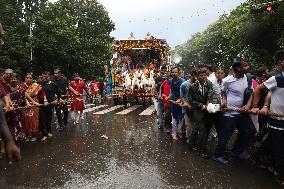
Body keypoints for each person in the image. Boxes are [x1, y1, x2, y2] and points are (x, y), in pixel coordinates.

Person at [213, 57, 256, 164]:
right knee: (225, 136)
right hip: (229, 113)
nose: (248, 67)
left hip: (242, 113)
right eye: (245, 65)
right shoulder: (227, 80)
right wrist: (224, 101)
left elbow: (251, 93)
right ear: (237, 68)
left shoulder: (247, 78)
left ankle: (237, 151)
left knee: (250, 131)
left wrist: (247, 104)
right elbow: (223, 92)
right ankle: (217, 155)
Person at [251, 50, 284, 185]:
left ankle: (257, 157)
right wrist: (257, 106)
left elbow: (271, 92)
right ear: (281, 63)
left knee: (272, 144)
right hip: (277, 121)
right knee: (280, 149)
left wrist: (266, 105)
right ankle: (281, 176)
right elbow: (259, 89)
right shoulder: (277, 78)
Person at [189, 69, 217, 159]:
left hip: (208, 111)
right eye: (201, 75)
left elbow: (213, 96)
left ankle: (192, 144)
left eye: (204, 75)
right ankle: (202, 151)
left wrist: (211, 104)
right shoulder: (193, 86)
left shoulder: (209, 84)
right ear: (197, 76)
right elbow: (191, 100)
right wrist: (201, 105)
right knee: (202, 130)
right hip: (198, 111)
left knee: (199, 129)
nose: (203, 77)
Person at [4, 73, 38, 141]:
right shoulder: (6, 87)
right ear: (9, 80)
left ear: (17, 80)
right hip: (9, 109)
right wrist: (10, 105)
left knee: (20, 122)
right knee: (10, 124)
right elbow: (6, 96)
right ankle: (11, 140)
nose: (13, 80)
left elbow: (24, 95)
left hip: (19, 108)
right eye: (11, 79)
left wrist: (30, 102)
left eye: (15, 79)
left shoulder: (20, 87)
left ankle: (19, 137)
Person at [23, 73, 46, 142]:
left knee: (34, 120)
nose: (28, 79)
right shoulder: (21, 86)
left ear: (33, 79)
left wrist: (45, 101)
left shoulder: (36, 86)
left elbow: (43, 94)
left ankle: (34, 135)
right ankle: (27, 135)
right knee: (25, 120)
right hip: (25, 105)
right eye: (27, 77)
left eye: (30, 78)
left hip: (34, 105)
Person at [39, 71, 61, 141]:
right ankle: (44, 134)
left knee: (49, 119)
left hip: (50, 105)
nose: (44, 78)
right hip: (41, 105)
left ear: (50, 77)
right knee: (42, 119)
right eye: (43, 76)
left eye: (46, 76)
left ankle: (48, 131)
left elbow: (58, 93)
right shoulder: (39, 85)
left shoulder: (53, 84)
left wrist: (57, 100)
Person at [167, 67, 185, 140]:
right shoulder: (170, 81)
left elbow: (184, 93)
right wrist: (169, 97)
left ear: (179, 73)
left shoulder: (183, 81)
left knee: (181, 118)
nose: (174, 74)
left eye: (175, 72)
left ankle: (179, 131)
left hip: (181, 101)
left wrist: (180, 100)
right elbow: (171, 91)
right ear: (171, 73)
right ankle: (174, 133)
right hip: (173, 101)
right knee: (174, 118)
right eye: (173, 72)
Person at [180, 70, 197, 142]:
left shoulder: (198, 84)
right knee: (188, 124)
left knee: (194, 124)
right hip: (187, 107)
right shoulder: (184, 84)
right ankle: (189, 139)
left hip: (195, 107)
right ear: (192, 75)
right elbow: (181, 96)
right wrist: (186, 104)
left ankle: (193, 138)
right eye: (195, 76)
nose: (196, 77)